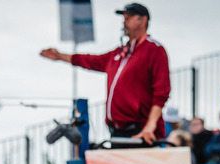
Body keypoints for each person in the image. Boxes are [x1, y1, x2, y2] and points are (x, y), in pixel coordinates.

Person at [40, 3, 169, 144]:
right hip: (117, 131)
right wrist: (60, 56)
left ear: (143, 20)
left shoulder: (154, 49)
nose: (124, 21)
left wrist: (150, 126)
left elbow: (161, 92)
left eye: (129, 17)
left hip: (141, 132)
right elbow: (90, 60)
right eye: (124, 17)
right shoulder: (119, 54)